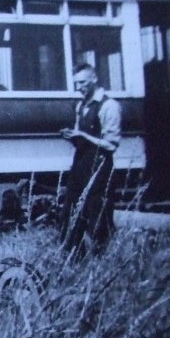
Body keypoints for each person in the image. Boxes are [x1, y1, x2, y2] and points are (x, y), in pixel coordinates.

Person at [59, 63, 122, 257]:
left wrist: (84, 137)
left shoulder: (109, 106)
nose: (79, 87)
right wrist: (72, 137)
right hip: (80, 164)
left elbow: (111, 144)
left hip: (100, 166)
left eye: (83, 82)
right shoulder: (80, 105)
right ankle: (74, 260)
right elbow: (82, 137)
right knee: (71, 211)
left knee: (98, 214)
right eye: (76, 83)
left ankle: (102, 259)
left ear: (94, 80)